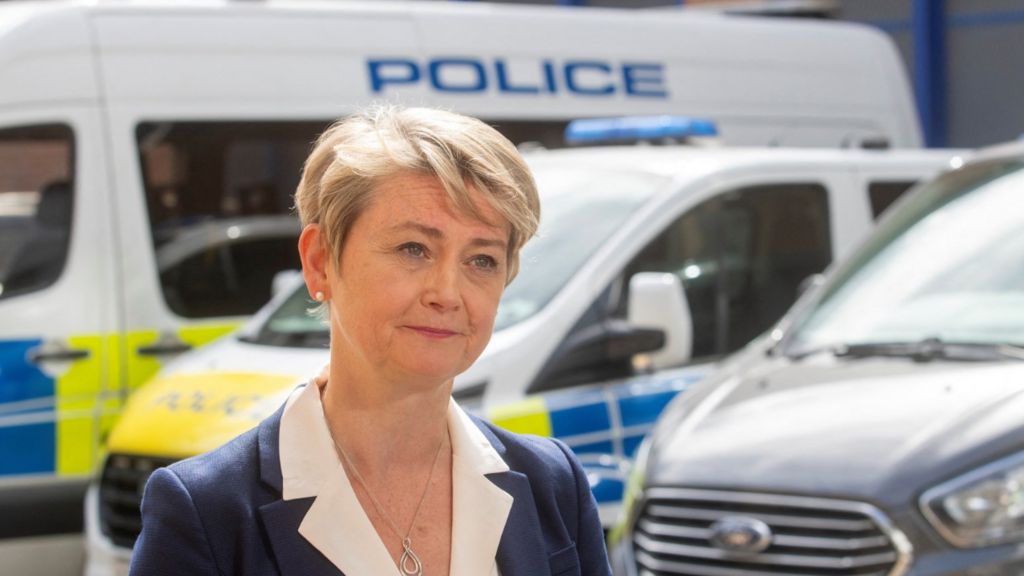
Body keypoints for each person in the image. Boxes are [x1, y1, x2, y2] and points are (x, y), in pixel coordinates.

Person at [129, 105, 611, 576]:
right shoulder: (207, 512)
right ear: (320, 262)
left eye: (481, 260)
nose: (447, 293)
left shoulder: (554, 484)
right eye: (413, 249)